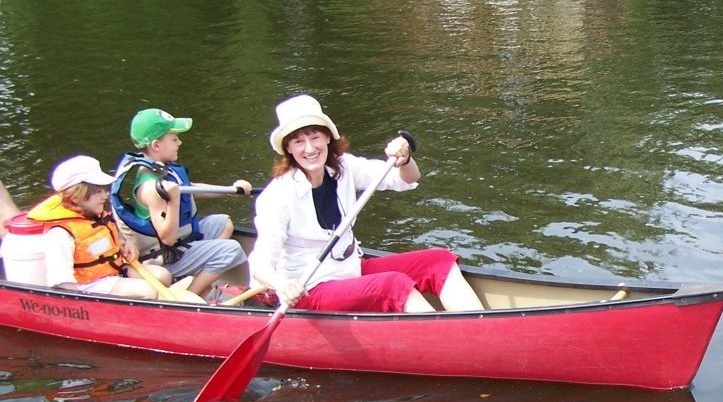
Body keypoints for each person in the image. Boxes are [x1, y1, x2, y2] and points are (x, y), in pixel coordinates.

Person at [249, 94, 484, 312]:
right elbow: (260, 265)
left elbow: (407, 178)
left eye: (314, 137)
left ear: (328, 137)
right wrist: (283, 285)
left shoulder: (344, 167)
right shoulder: (278, 196)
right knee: (393, 285)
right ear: (288, 148)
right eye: (298, 142)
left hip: (351, 270)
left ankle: (479, 331)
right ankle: (450, 340)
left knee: (438, 260)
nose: (309, 149)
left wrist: (404, 159)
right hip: (310, 289)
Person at [110, 108, 250, 297]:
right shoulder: (151, 187)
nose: (180, 143)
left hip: (179, 243)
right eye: (174, 139)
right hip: (163, 257)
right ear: (156, 145)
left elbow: (189, 187)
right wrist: (173, 201)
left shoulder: (161, 167)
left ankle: (198, 275)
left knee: (223, 222)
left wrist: (228, 191)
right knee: (230, 250)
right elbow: (167, 238)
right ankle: (188, 298)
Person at [26, 155, 172, 298]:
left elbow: (99, 246)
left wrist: (124, 245)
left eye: (104, 190)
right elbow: (61, 283)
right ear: (76, 197)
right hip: (88, 285)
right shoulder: (60, 233)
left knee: (164, 276)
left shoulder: (95, 215)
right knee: (147, 291)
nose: (105, 196)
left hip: (112, 270)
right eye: (98, 192)